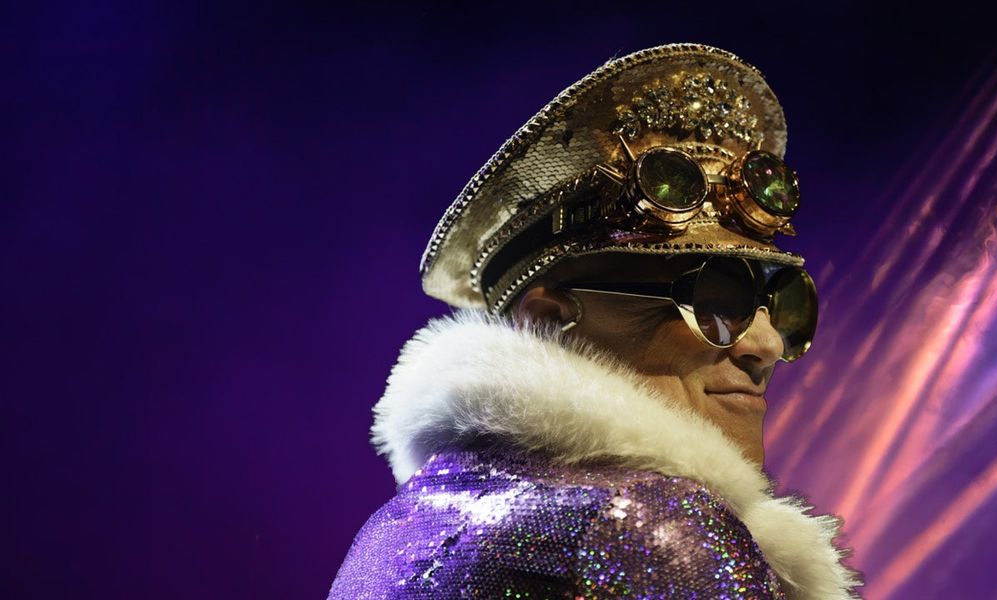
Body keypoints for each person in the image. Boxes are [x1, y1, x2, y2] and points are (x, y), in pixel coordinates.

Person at [329, 43, 860, 599]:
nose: (768, 343)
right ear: (547, 322)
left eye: (779, 302)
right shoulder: (653, 530)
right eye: (713, 300)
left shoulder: (390, 534)